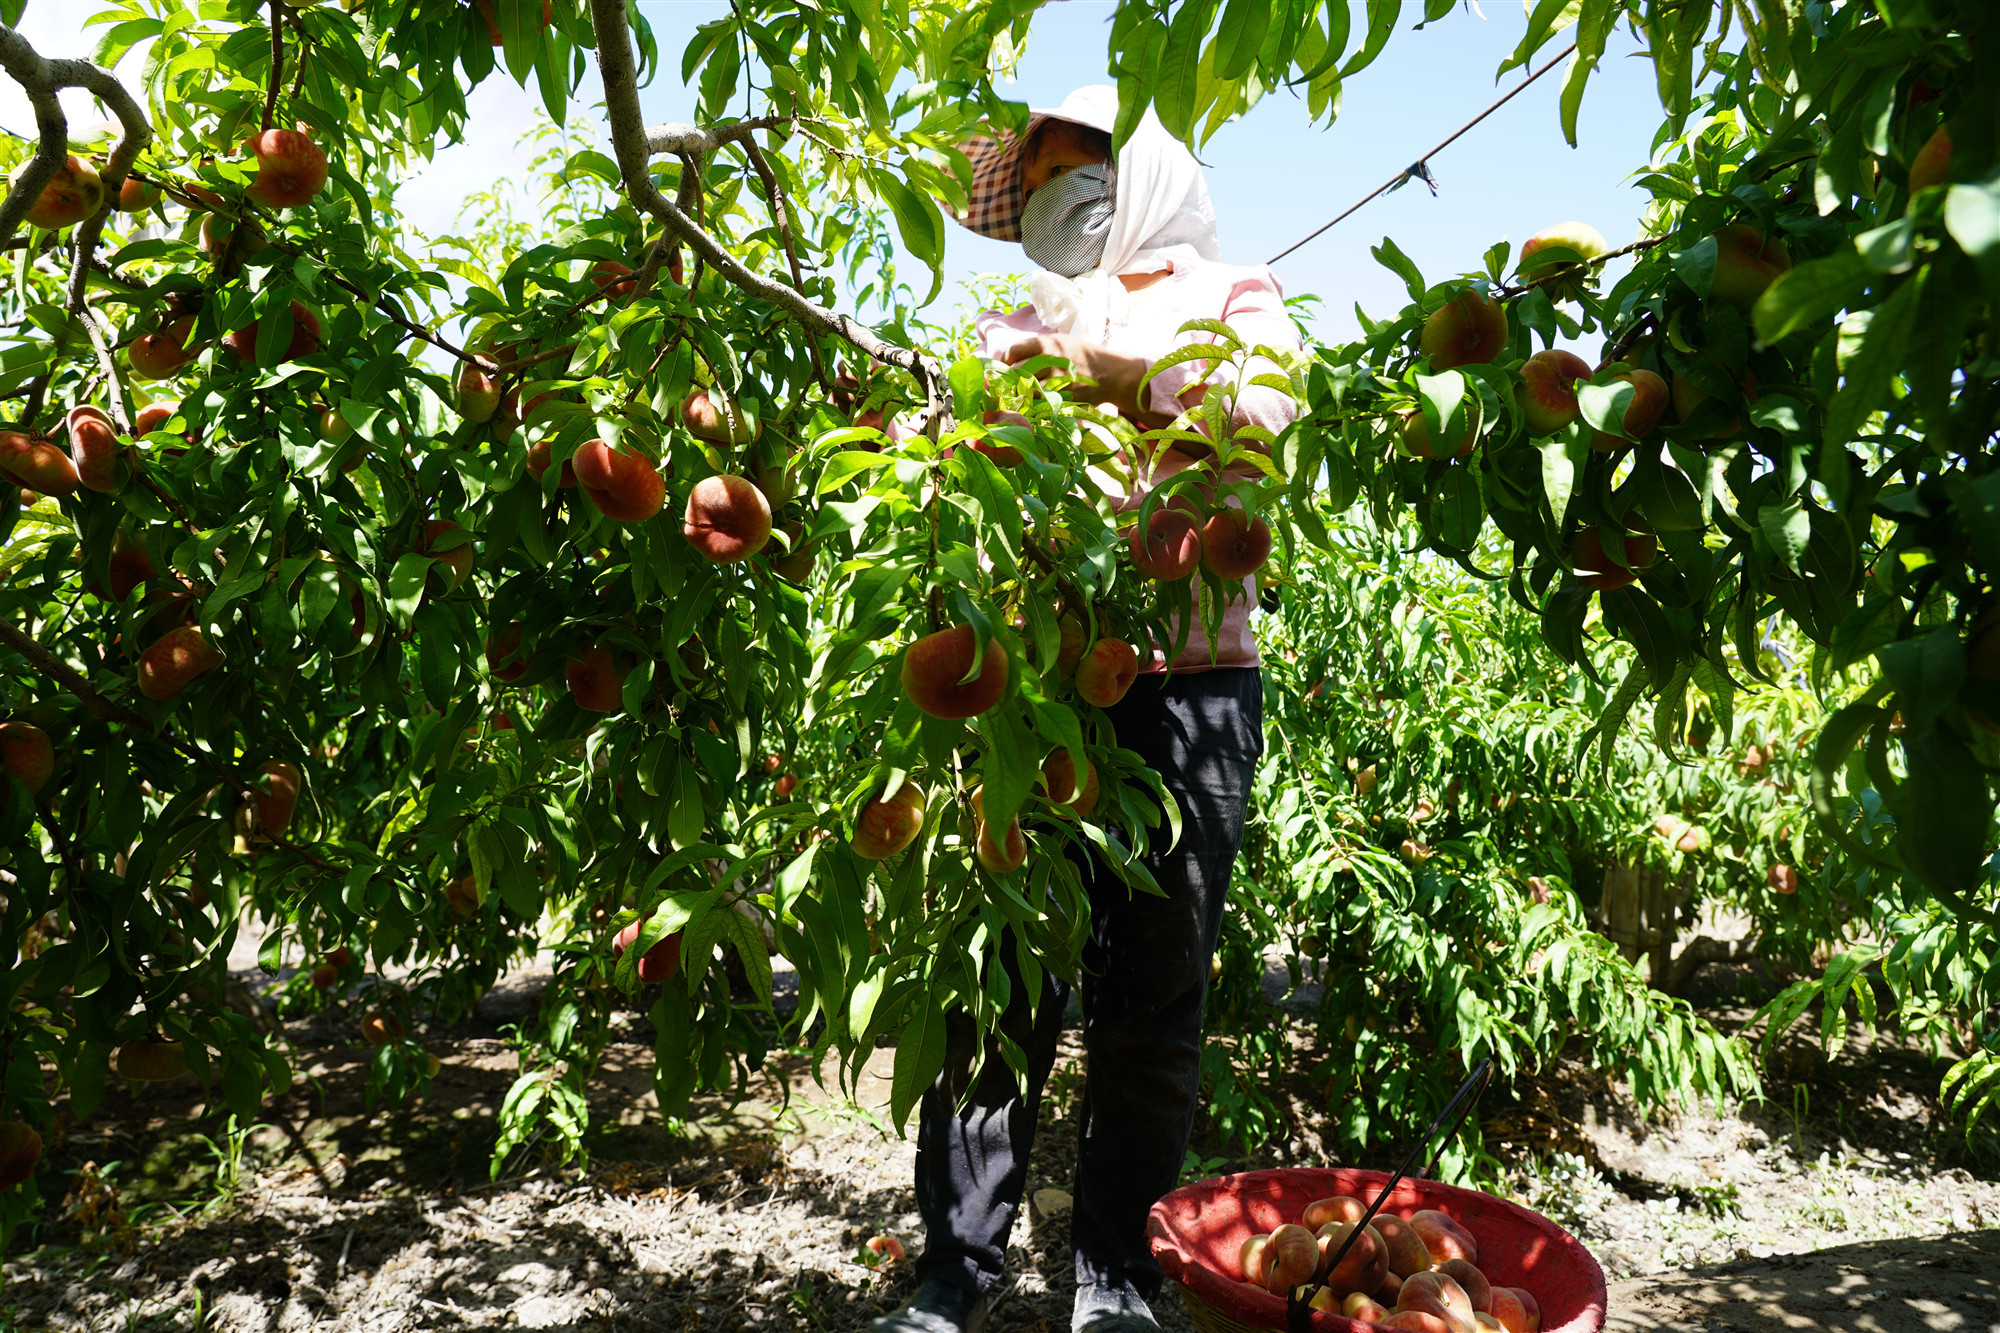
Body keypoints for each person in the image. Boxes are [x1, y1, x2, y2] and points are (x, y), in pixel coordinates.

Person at [874, 85, 1301, 1333]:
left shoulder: (1238, 295)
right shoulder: (1018, 316)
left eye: (1079, 168)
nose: (1059, 196)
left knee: (1154, 992)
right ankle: (955, 1266)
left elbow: (1266, 413)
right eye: (1040, 175)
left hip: (1191, 695)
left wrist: (1118, 370)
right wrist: (933, 427)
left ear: (1145, 172)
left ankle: (1117, 1271)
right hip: (1037, 697)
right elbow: (938, 459)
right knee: (999, 980)